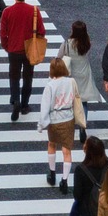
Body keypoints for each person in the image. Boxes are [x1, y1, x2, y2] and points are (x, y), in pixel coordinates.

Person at [0, 0, 46, 122]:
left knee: (14, 77)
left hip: (13, 49)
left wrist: (6, 46)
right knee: (28, 77)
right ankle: (25, 105)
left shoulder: (7, 12)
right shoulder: (34, 10)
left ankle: (15, 100)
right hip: (29, 49)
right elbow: (41, 31)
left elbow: (3, 34)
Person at [38, 57, 79, 194]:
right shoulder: (71, 82)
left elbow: (45, 107)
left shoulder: (50, 85)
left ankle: (52, 173)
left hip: (55, 120)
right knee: (67, 150)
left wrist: (41, 124)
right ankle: (65, 180)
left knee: (52, 144)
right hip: (68, 118)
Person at [57, 20, 103, 139]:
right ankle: (83, 126)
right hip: (85, 74)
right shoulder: (87, 43)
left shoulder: (67, 43)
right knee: (83, 102)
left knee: (71, 101)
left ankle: (70, 124)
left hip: (71, 75)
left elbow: (59, 57)